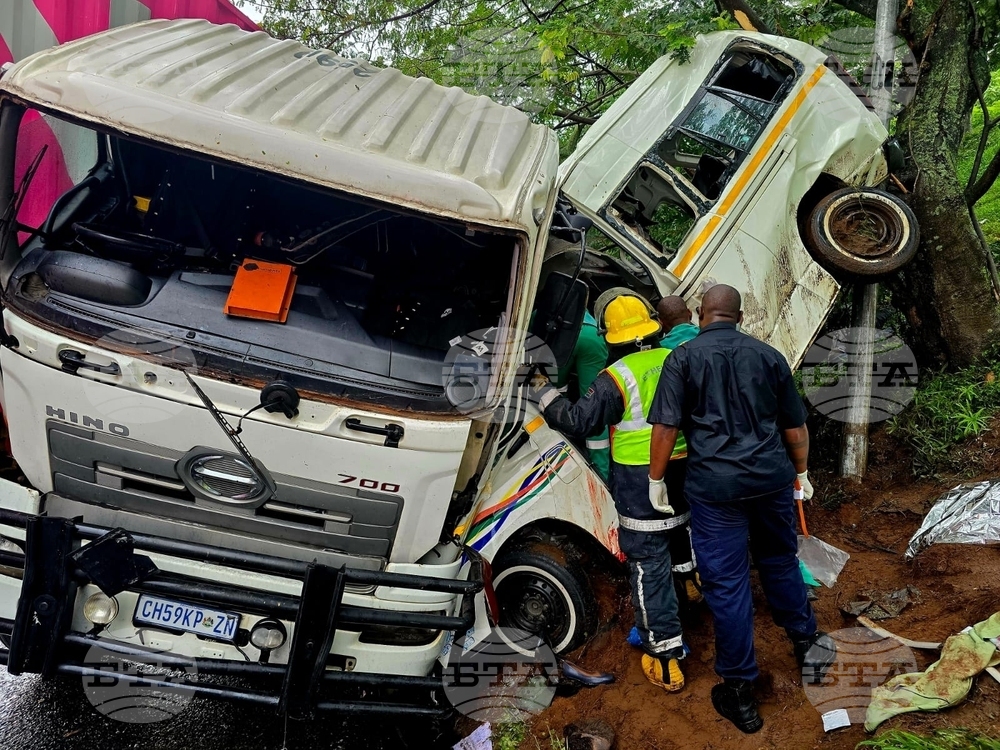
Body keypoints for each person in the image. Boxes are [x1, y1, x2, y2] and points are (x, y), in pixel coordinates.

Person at [646, 284, 834, 734]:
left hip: (715, 490)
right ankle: (807, 644)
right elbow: (794, 425)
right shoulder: (768, 356)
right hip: (770, 480)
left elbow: (666, 427)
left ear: (700, 313)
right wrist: (801, 473)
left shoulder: (682, 359)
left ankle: (739, 691)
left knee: (728, 584)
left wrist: (655, 481)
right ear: (741, 315)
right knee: (778, 559)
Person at [533, 294, 692, 693]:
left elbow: (578, 420)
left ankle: (665, 655)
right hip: (685, 471)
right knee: (678, 541)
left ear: (611, 337)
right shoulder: (679, 359)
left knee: (646, 560)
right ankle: (687, 596)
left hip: (641, 483)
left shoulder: (616, 377)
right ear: (652, 328)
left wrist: (541, 390)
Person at [556, 310, 610, 481]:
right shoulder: (576, 293)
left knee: (554, 392)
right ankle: (602, 472)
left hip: (564, 336)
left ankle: (560, 437)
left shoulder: (539, 305)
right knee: (594, 403)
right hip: (592, 335)